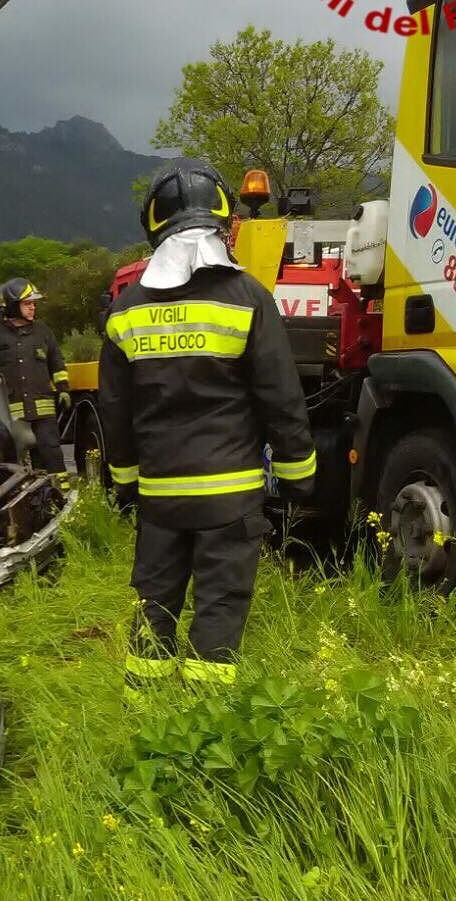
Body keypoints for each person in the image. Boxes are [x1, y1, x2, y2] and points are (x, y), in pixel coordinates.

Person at [99, 158, 316, 693]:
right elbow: (281, 399)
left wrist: (126, 485)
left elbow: (115, 414)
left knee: (155, 603)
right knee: (219, 605)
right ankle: (204, 722)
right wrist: (299, 478)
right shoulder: (249, 299)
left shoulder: (125, 311)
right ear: (222, 220)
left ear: (153, 224)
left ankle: (146, 717)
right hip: (231, 499)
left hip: (161, 500)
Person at [0, 278, 71, 482]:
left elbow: (57, 363)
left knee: (51, 455)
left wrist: (63, 389)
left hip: (43, 409)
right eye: (27, 304)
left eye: (33, 304)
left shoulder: (44, 331)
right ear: (13, 306)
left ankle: (60, 499)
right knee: (12, 462)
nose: (33, 307)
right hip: (11, 414)